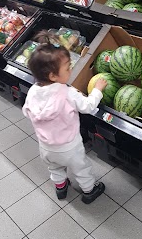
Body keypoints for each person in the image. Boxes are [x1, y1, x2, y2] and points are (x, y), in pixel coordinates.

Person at [22, 31, 107, 204]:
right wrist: (97, 90)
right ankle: (90, 190)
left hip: (46, 146)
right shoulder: (66, 93)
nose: (70, 70)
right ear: (53, 76)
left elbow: (27, 111)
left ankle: (61, 188)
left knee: (55, 168)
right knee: (81, 168)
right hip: (70, 147)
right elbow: (88, 107)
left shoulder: (33, 91)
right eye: (68, 68)